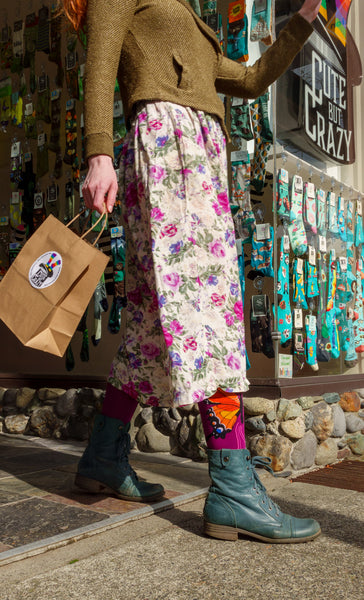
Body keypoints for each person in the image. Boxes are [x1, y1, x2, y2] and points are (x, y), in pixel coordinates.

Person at [60, 0, 323, 543]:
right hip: (168, 146)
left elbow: (250, 80)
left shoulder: (194, 22)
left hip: (196, 155)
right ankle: (232, 485)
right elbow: (102, 55)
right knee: (208, 310)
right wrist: (97, 153)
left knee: (152, 328)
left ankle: (104, 457)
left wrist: (301, 20)